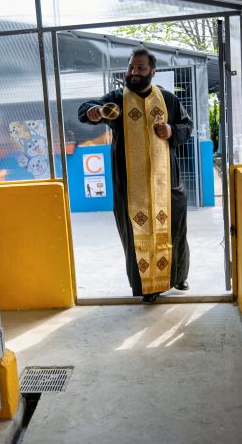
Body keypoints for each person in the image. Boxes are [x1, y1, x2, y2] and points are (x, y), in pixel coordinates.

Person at [78, 46, 191, 303]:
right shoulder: (117, 99)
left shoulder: (168, 99)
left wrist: (172, 131)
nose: (134, 72)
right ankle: (148, 287)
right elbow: (86, 108)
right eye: (131, 67)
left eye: (140, 68)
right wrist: (92, 111)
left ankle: (178, 276)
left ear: (152, 71)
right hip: (130, 188)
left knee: (174, 232)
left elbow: (187, 126)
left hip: (167, 185)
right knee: (136, 237)